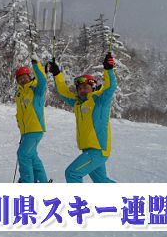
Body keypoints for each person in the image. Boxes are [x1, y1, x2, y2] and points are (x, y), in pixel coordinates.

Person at [47, 53, 117, 183]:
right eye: (79, 88)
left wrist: (108, 70)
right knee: (102, 181)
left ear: (93, 88)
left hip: (98, 150)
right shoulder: (78, 103)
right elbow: (63, 93)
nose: (82, 90)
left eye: (86, 87)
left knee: (72, 173)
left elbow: (110, 87)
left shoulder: (99, 100)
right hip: (88, 149)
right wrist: (56, 74)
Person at [14, 55, 49, 183]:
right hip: (26, 132)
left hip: (35, 129)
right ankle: (42, 181)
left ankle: (27, 182)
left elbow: (43, 80)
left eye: (25, 77)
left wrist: (36, 65)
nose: (22, 80)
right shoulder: (19, 93)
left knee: (23, 154)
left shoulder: (36, 90)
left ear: (30, 77)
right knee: (32, 157)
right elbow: (20, 112)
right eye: (20, 79)